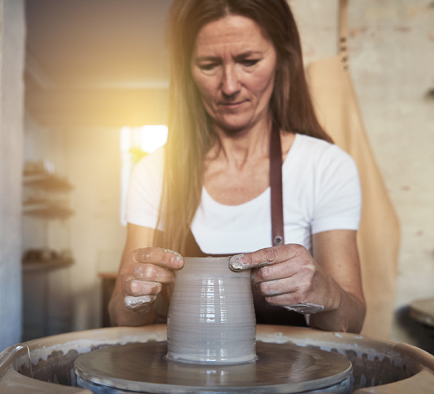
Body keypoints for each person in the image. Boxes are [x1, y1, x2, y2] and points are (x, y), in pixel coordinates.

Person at [109, 0, 366, 333]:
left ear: (281, 60)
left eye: (249, 61)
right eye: (209, 64)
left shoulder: (327, 167)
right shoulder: (155, 172)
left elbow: (352, 322)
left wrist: (325, 292)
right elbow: (121, 316)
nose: (229, 86)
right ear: (187, 69)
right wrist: (133, 294)